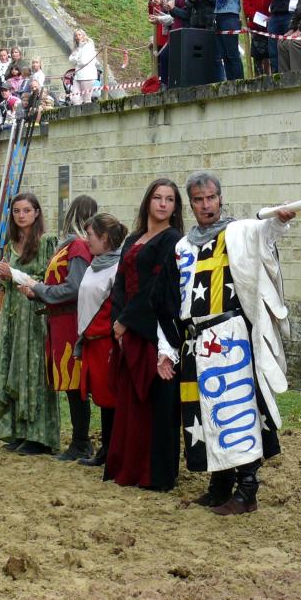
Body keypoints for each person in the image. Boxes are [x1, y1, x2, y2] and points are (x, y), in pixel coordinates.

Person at [175, 171, 297, 515]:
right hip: (197, 340)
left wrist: (280, 219)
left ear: (220, 198)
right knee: (209, 412)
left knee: (238, 412)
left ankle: (247, 490)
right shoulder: (182, 246)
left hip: (230, 339)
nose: (206, 205)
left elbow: (266, 233)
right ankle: (219, 485)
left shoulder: (239, 232)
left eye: (211, 197)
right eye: (199, 200)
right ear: (191, 204)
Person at [106, 179, 184, 489]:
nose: (163, 204)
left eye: (169, 199)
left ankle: (155, 474)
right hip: (128, 330)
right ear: (148, 202)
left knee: (156, 401)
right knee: (131, 404)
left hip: (154, 332)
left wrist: (127, 320)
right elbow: (120, 282)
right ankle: (130, 466)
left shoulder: (173, 239)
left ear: (175, 207)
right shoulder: (133, 238)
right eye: (157, 198)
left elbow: (157, 286)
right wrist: (117, 322)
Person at [21, 195, 99, 462]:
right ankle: (80, 441)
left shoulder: (77, 246)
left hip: (70, 322)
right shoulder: (70, 246)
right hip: (60, 320)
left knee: (76, 385)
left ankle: (81, 442)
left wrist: (40, 288)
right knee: (71, 385)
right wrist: (38, 293)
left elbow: (74, 287)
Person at [0, 192, 60, 456]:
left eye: (26, 210)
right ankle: (17, 430)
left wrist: (13, 274)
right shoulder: (11, 244)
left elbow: (49, 279)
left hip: (35, 315)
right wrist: (2, 275)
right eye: (16, 211)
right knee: (13, 367)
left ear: (36, 213)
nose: (21, 215)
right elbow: (10, 282)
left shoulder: (47, 241)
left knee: (34, 368)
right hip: (14, 314)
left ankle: (39, 435)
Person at [74, 212, 126, 468]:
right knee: (104, 400)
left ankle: (113, 450)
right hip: (93, 342)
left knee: (112, 398)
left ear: (105, 238)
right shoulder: (95, 264)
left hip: (107, 342)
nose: (87, 240)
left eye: (91, 235)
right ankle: (107, 449)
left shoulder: (118, 267)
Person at [210, 0, 245, 81]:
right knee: (224, 54)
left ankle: (239, 81)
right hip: (218, 16)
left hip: (231, 16)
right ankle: (230, 82)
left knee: (232, 53)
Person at [243, 0, 273, 76]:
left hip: (272, 22)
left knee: (272, 55)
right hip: (257, 24)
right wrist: (256, 17)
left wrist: (271, 17)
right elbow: (246, 4)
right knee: (258, 56)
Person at [148, 0, 173, 88]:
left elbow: (170, 19)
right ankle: (161, 83)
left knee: (166, 60)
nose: (153, 1)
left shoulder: (166, 5)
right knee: (159, 62)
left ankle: (165, 83)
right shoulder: (155, 7)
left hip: (166, 38)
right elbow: (151, 14)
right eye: (150, 0)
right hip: (158, 39)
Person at [68, 29, 98, 105]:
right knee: (75, 99)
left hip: (87, 75)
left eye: (79, 34)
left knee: (86, 99)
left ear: (83, 35)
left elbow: (84, 61)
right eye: (76, 35)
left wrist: (76, 60)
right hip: (78, 76)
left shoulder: (88, 46)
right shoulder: (77, 48)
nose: (78, 37)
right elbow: (70, 59)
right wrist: (78, 59)